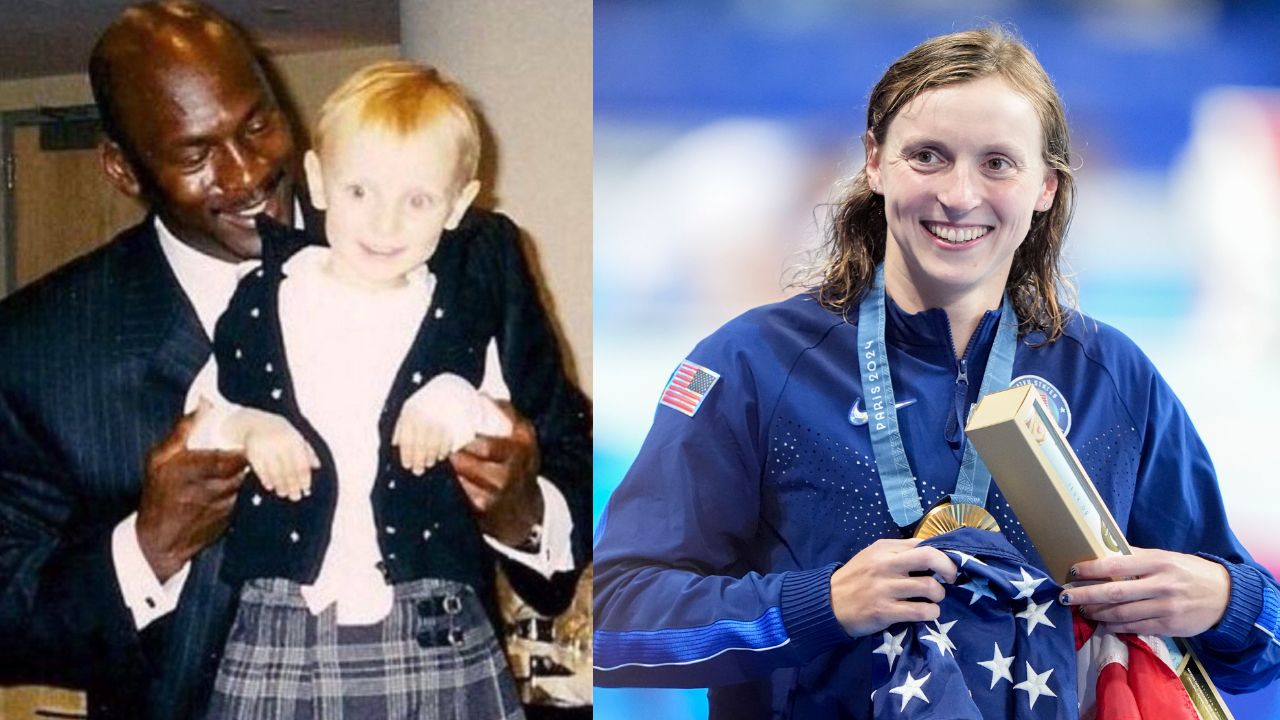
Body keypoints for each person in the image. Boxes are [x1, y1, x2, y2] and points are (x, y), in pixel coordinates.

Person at [592, 26, 1280, 718]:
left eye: (997, 164)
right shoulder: (754, 366)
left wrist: (1222, 600)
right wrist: (818, 605)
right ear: (874, 163)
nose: (959, 195)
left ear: (1045, 185)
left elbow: (1264, 640)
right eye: (928, 156)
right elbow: (608, 623)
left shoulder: (1110, 378)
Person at [0, 3, 590, 718]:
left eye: (258, 125)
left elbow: (574, 459)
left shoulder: (468, 258)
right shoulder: (40, 347)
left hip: (429, 680)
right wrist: (147, 547)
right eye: (196, 155)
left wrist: (525, 510)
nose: (247, 173)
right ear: (123, 169)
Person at [189, 60, 556, 719]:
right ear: (318, 180)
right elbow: (202, 414)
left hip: (432, 623)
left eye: (417, 200)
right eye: (360, 191)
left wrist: (453, 399)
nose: (385, 223)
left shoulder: (461, 314)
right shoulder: (263, 302)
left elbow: (506, 427)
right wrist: (248, 427)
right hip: (282, 622)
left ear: (458, 206)